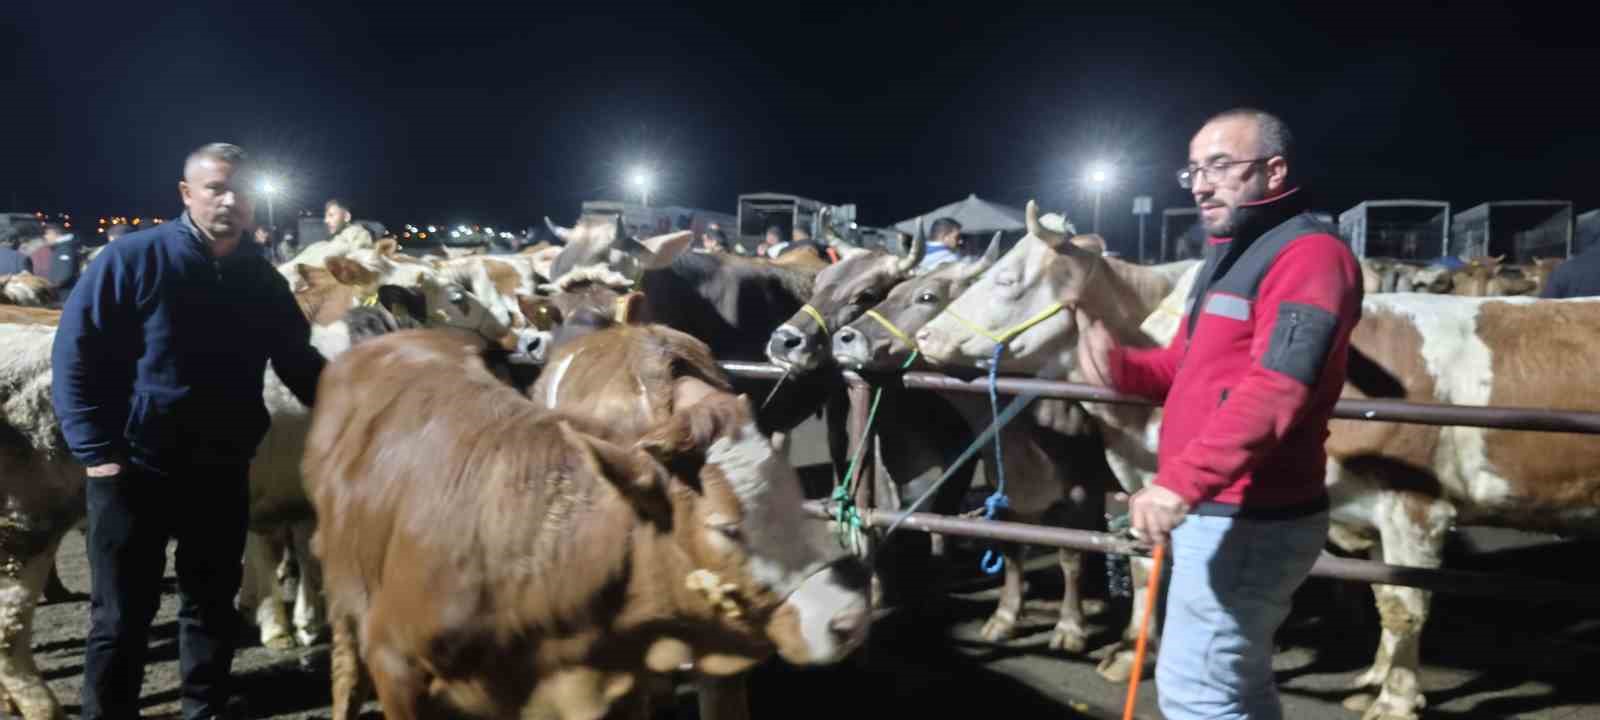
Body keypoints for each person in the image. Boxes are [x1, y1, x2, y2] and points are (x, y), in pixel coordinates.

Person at [1077, 108, 1361, 719]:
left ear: (1274, 170)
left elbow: (1278, 388)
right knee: (1237, 685)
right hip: (1224, 510)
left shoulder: (1310, 256)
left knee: (1197, 695)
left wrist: (1180, 483)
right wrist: (1119, 366)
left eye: (1220, 166)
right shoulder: (1228, 257)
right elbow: (1183, 368)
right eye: (1194, 170)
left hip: (1251, 517)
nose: (1202, 183)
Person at [52, 142, 327, 719]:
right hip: (135, 468)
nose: (230, 201)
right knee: (120, 616)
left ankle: (202, 710)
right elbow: (75, 355)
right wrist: (96, 452)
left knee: (210, 607)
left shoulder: (260, 279)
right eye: (215, 188)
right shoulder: (132, 258)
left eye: (240, 191)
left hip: (220, 468)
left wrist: (363, 410)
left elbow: (299, 362)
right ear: (186, 193)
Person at [34, 222, 85, 296]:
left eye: (47, 234)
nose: (45, 237)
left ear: (55, 233)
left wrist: (50, 286)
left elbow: (64, 274)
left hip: (64, 295)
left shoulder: (65, 248)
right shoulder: (61, 247)